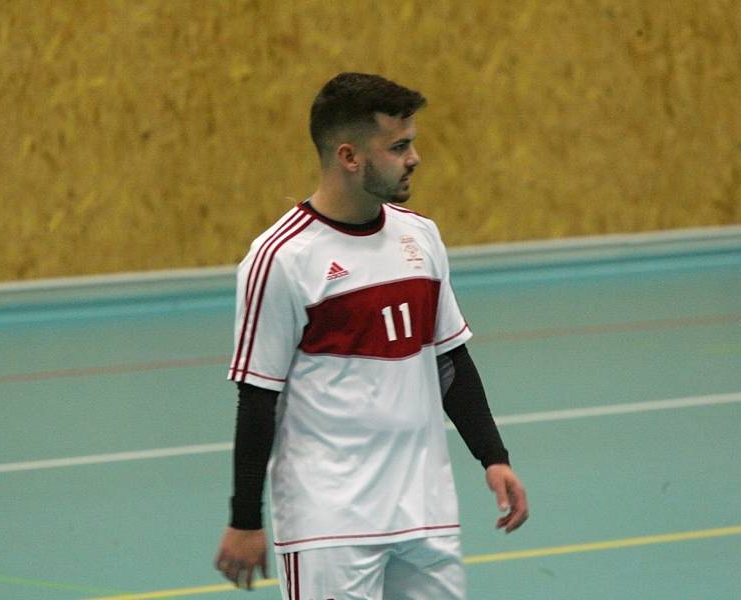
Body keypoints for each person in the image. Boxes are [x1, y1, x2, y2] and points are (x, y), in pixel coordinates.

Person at [215, 72, 528, 598]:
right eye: (399, 146)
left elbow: (449, 360)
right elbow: (258, 397)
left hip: (425, 509)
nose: (414, 158)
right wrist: (245, 518)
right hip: (331, 520)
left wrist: (493, 457)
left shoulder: (420, 237)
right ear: (349, 156)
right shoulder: (283, 259)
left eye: (412, 144)